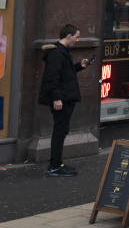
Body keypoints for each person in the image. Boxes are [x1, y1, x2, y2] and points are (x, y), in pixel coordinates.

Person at [39, 24, 91, 177]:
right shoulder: (56, 53)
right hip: (62, 99)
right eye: (76, 36)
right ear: (68, 35)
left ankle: (57, 163)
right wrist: (56, 98)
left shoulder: (62, 52)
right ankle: (54, 166)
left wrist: (79, 66)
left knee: (62, 130)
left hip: (66, 98)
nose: (77, 39)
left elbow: (65, 73)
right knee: (60, 131)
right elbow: (51, 78)